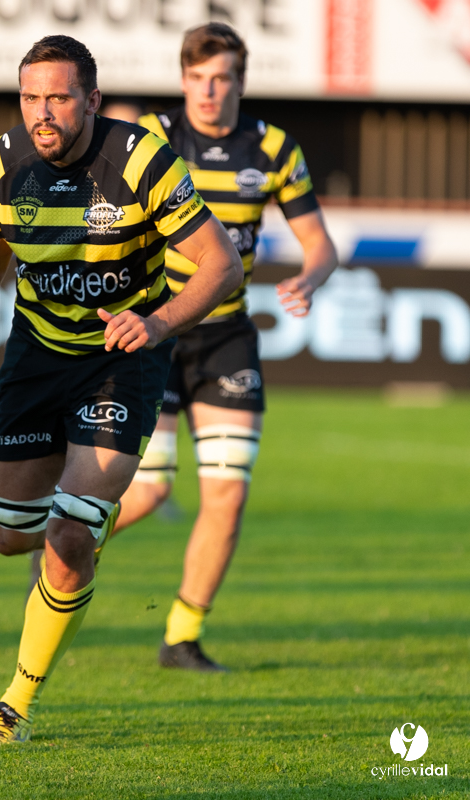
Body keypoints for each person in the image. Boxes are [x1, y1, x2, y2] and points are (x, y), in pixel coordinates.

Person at [0, 35, 243, 744]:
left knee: (67, 536)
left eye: (58, 97)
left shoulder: (142, 160)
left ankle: (14, 707)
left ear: (91, 99)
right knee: (10, 536)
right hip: (36, 356)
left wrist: (157, 323)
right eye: (31, 97)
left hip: (123, 357)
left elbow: (222, 265)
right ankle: (87, 531)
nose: (42, 112)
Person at [109, 23, 339, 672]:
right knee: (149, 491)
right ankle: (66, 544)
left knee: (228, 495)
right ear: (183, 81)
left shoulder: (273, 148)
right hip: (152, 330)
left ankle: (181, 637)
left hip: (227, 337)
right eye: (197, 79)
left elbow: (320, 245)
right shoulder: (151, 138)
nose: (208, 91)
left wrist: (309, 278)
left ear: (241, 82)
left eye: (221, 79)